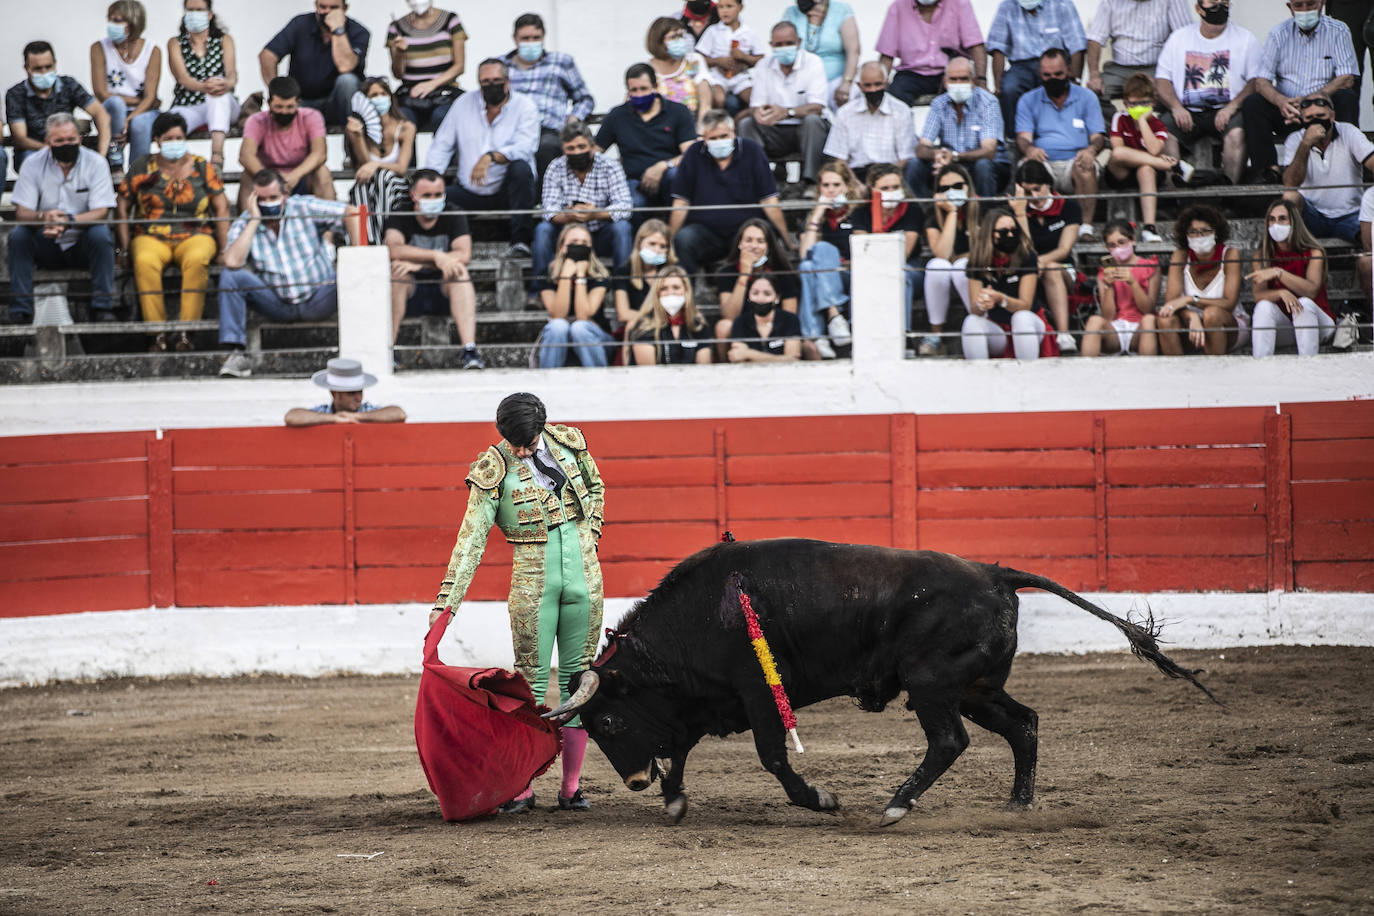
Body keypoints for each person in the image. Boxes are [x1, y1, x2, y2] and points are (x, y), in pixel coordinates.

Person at [429, 391, 606, 813]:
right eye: (513, 442)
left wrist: (590, 536)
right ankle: (522, 786)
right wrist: (446, 603)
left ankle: (571, 787)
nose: (520, 451)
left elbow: (596, 488)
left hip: (586, 576)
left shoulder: (569, 444)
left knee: (579, 682)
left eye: (525, 443)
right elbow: (470, 540)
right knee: (529, 685)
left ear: (541, 428)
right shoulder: (493, 468)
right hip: (532, 581)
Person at [216, 169, 360, 378]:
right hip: (277, 302)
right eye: (262, 199)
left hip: (320, 296)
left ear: (285, 195)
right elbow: (231, 261)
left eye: (273, 197)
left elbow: (352, 212)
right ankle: (237, 354)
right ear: (253, 199)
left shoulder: (303, 206)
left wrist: (356, 255)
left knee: (355, 274)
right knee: (230, 277)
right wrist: (255, 220)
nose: (268, 203)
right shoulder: (246, 221)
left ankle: (360, 348)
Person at [116, 112, 228, 352]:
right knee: (144, 261)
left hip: (196, 234)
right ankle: (157, 335)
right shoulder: (141, 166)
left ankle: (187, 334)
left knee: (197, 260)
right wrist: (124, 248)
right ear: (157, 140)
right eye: (168, 138)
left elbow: (221, 206)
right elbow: (123, 206)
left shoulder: (201, 166)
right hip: (151, 235)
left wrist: (224, 246)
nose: (175, 142)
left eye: (179, 137)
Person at [7, 113, 117, 326]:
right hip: (47, 240)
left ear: (80, 139)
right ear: (48, 142)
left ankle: (103, 308)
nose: (66, 145)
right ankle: (20, 311)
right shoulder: (33, 164)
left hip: (81, 241)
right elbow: (22, 212)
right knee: (19, 236)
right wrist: (43, 217)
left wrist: (68, 220)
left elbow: (101, 212)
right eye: (59, 141)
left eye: (70, 140)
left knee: (101, 234)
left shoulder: (96, 163)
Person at [425, 58, 539, 259]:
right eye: (485, 81)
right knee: (436, 196)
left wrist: (491, 157)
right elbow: (442, 144)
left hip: (507, 191)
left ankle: (521, 243)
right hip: (470, 190)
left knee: (521, 169)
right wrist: (430, 178)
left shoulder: (525, 106)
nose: (491, 85)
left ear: (507, 81)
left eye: (496, 80)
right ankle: (440, 250)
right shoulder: (463, 104)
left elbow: (526, 147)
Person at [1244, 0, 1360, 184]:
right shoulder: (1278, 34)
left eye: (1310, 4)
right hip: (1288, 111)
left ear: (1321, 4)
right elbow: (1261, 81)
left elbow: (1346, 78)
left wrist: (1312, 101)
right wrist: (1281, 101)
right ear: (1290, 7)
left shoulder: (1339, 30)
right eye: (1299, 5)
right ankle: (1268, 172)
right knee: (1253, 103)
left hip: (1322, 110)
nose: (1305, 10)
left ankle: (1345, 164)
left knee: (1347, 98)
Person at [669, 109, 790, 278]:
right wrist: (670, 241)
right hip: (705, 233)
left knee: (760, 235)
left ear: (733, 133)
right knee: (684, 239)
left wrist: (787, 240)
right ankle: (687, 294)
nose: (719, 141)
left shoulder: (752, 151)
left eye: (723, 136)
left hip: (744, 231)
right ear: (703, 138)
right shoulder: (693, 154)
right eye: (713, 138)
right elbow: (681, 203)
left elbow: (769, 200)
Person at [384, 169, 483, 369]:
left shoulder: (453, 213)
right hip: (411, 291)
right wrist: (436, 256)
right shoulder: (400, 213)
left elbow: (463, 254)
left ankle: (470, 350)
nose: (433, 199)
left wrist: (420, 263)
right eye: (427, 195)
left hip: (443, 290)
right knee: (397, 274)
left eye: (437, 195)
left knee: (460, 272)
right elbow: (393, 249)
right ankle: (388, 350)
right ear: (413, 195)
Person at [1154, 0, 1259, 187]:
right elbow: (1162, 80)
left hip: (1228, 111)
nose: (1220, 6)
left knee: (1237, 134)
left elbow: (1255, 81)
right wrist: (1176, 108)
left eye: (1224, 2)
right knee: (1163, 131)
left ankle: (1229, 194)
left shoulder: (1246, 39)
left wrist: (1231, 107)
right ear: (1198, 9)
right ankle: (1174, 194)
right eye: (1213, 2)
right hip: (1187, 111)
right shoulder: (1179, 38)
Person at [1015, 48, 1105, 238]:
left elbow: (1098, 137)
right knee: (1029, 168)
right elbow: (1023, 138)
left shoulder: (1087, 97)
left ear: (1069, 71)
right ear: (1040, 74)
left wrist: (1091, 149)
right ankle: (1035, 227)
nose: (1053, 79)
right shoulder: (1028, 100)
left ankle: (1085, 227)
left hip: (1075, 161)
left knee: (1085, 165)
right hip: (1044, 162)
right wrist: (1030, 149)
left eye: (1058, 74)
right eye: (1047, 75)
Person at [534, 119, 633, 282]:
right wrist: (569, 216)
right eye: (570, 148)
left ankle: (622, 287)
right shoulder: (555, 167)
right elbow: (549, 210)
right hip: (566, 235)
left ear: (592, 147)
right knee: (542, 230)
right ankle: (538, 290)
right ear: (563, 150)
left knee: (622, 228)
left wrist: (595, 214)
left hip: (600, 232)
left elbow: (625, 206)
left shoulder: (610, 166)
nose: (576, 152)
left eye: (581, 147)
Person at [738, 22, 830, 190]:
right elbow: (756, 105)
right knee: (747, 124)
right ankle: (759, 182)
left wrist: (787, 112)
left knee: (813, 121)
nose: (784, 48)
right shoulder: (763, 65)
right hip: (774, 131)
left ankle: (811, 182)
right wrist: (759, 113)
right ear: (771, 45)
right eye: (778, 44)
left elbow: (817, 106)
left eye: (788, 43)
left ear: (799, 42)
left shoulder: (813, 62)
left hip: (804, 131)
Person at [595, 64, 698, 213]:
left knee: (674, 176)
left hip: (669, 177)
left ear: (655, 87)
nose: (639, 95)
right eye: (633, 90)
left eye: (644, 89)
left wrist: (663, 166)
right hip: (634, 181)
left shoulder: (678, 112)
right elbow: (596, 151)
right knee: (632, 205)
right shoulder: (617, 116)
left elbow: (690, 154)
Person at [505, 13, 595, 178]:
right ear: (515, 38)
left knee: (547, 148)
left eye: (536, 37)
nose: (531, 42)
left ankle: (543, 200)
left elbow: (585, 99)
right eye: (525, 38)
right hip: (510, 130)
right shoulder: (501, 66)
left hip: (548, 130)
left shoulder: (561, 62)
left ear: (543, 37)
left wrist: (574, 117)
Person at [1281, 90, 1374, 244]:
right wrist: (1305, 144)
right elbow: (1290, 183)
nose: (1315, 122)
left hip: (1349, 215)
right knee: (1290, 197)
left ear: (1332, 116)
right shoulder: (1294, 139)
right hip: (1313, 215)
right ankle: (1289, 258)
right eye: (1309, 118)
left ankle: (1368, 263)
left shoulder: (1349, 132)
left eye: (1321, 117)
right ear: (1302, 120)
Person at [1248, 197, 1336, 357]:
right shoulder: (1261, 256)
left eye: (1282, 219)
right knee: (1263, 307)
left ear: (1294, 222)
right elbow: (1258, 295)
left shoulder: (1314, 252)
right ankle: (1260, 368)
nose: (1276, 224)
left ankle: (1308, 368)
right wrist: (1281, 293)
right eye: (1272, 220)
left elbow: (1311, 291)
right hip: (1286, 327)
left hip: (1318, 323)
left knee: (1304, 304)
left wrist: (1278, 273)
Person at [987, 0, 1087, 140]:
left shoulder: (1062, 4)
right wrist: (998, 85)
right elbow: (997, 47)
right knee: (1009, 89)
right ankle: (1014, 140)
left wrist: (1076, 79)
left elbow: (1077, 45)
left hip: (1054, 64)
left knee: (1057, 86)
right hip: (1021, 66)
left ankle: (1055, 137)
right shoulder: (1007, 6)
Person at [909, 56, 1007, 199]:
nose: (958, 83)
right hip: (948, 163)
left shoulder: (988, 102)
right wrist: (938, 155)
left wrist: (954, 157)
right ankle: (917, 215)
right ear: (945, 81)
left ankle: (987, 215)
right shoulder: (939, 104)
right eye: (953, 79)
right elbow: (922, 147)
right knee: (914, 165)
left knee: (983, 166)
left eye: (963, 79)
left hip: (982, 165)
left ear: (973, 81)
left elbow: (989, 151)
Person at [260, 0, 369, 127]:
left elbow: (345, 66)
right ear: (316, 6)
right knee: (285, 105)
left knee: (348, 81)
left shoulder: (359, 32)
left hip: (338, 105)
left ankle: (354, 137)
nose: (327, 12)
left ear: (344, 8)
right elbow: (267, 55)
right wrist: (278, 92)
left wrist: (338, 30)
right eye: (322, 7)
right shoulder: (300, 24)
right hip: (302, 102)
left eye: (333, 7)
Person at [6, 42, 111, 174]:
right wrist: (53, 149)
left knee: (87, 164)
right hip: (35, 151)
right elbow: (20, 138)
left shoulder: (68, 85)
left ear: (55, 64)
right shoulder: (16, 94)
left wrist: (101, 156)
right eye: (38, 68)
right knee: (31, 162)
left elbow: (100, 113)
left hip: (68, 146)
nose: (44, 72)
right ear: (27, 68)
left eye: (48, 67)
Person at [1156, 204, 1246, 356]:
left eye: (1205, 231)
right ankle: (1175, 374)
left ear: (1216, 233)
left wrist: (1191, 299)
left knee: (1211, 315)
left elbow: (1229, 303)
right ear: (1186, 235)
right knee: (1165, 320)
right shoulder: (1180, 256)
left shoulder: (1230, 254)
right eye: (1193, 232)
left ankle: (1215, 371)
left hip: (1226, 323)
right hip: (1190, 325)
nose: (1199, 237)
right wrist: (1191, 316)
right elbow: (1171, 303)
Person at [1010, 160, 1081, 353]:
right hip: (1028, 268)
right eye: (1027, 192)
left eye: (1037, 189)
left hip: (1062, 268)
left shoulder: (1069, 206)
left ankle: (1064, 334)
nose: (1033, 196)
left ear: (1048, 183)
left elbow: (1064, 249)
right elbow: (1026, 249)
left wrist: (1039, 262)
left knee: (1051, 268)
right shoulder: (1017, 210)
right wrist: (1020, 214)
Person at [962, 208, 1051, 360]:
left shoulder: (1027, 256)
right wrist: (982, 304)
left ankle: (1028, 373)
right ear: (990, 234)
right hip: (999, 328)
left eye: (1013, 230)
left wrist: (1001, 299)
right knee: (971, 322)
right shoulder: (977, 261)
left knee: (1021, 318)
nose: (1010, 235)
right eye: (1003, 232)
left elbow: (1026, 305)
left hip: (1030, 324)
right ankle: (978, 378)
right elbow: (974, 309)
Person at [167, 0, 241, 173]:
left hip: (223, 104)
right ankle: (178, 170)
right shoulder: (175, 43)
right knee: (169, 124)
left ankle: (217, 156)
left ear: (209, 14)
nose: (194, 14)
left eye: (199, 10)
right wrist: (206, 86)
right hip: (189, 104)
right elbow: (183, 78)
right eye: (190, 10)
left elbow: (232, 73)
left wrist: (225, 84)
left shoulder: (224, 40)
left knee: (218, 96)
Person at [237, 76, 331, 210]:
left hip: (302, 178)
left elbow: (320, 153)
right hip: (267, 180)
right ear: (269, 103)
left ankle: (329, 225)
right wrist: (272, 179)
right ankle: (245, 225)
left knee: (322, 172)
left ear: (298, 103)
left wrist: (295, 176)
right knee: (247, 176)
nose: (284, 112)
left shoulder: (312, 117)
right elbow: (246, 155)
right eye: (279, 107)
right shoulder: (256, 121)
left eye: (290, 107)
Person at [851, 162, 923, 334]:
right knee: (862, 278)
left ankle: (903, 335)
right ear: (872, 189)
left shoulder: (912, 209)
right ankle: (860, 332)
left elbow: (904, 253)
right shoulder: (860, 211)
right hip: (871, 268)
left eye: (896, 187)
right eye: (885, 188)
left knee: (900, 278)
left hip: (908, 267)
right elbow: (864, 251)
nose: (891, 192)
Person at [797, 160, 860, 357]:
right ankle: (831, 321)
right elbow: (804, 254)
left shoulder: (857, 213)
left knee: (822, 250)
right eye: (826, 185)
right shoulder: (818, 217)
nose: (831, 190)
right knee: (807, 266)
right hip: (825, 276)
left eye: (836, 185)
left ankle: (816, 333)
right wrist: (817, 214)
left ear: (847, 186)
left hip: (850, 273)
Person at [1106, 74, 1178, 243]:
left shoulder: (1158, 124)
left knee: (1146, 168)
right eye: (1133, 104)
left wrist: (1143, 122)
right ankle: (1169, 165)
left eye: (1143, 103)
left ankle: (1149, 228)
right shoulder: (1120, 118)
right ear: (1125, 104)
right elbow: (1118, 149)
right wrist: (1161, 162)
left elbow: (1154, 149)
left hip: (1150, 175)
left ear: (1153, 103)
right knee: (1116, 154)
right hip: (1121, 172)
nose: (1138, 107)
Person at [91, 0, 161, 173]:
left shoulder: (152, 50)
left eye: (118, 20)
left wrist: (129, 119)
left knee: (140, 123)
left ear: (133, 22)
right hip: (112, 110)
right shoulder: (99, 48)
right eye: (111, 20)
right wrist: (134, 101)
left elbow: (150, 96)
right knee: (116, 104)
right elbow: (100, 92)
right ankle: (115, 163)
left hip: (142, 111)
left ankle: (137, 175)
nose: (112, 25)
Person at [919, 163, 981, 356]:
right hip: (946, 275)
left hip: (977, 274)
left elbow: (983, 253)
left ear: (967, 186)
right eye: (944, 188)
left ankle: (978, 324)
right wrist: (952, 213)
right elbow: (943, 254)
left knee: (962, 266)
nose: (951, 191)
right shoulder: (933, 214)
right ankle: (936, 337)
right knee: (937, 266)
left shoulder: (983, 208)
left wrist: (960, 258)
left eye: (957, 186)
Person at [712, 218, 800, 352]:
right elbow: (729, 316)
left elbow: (789, 318)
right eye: (748, 240)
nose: (754, 246)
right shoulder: (727, 272)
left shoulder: (782, 272)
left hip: (774, 330)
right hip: (741, 329)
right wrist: (744, 273)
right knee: (723, 326)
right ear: (739, 244)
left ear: (768, 246)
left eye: (760, 241)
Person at [344, 77, 415, 243]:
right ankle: (363, 240)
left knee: (383, 177)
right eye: (374, 95)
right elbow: (364, 165)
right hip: (371, 185)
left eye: (383, 94)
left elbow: (401, 168)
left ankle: (383, 238)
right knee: (361, 186)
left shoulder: (405, 127)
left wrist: (377, 164)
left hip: (395, 185)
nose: (379, 98)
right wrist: (358, 137)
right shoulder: (358, 129)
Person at [1084, 0, 1193, 107]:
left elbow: (1184, 38)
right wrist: (1094, 75)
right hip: (1119, 70)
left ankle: (1156, 125)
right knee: (1091, 95)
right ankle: (1118, 124)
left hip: (1157, 70)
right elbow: (1095, 39)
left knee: (1177, 100)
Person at [875, 0, 985, 105]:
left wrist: (981, 80)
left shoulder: (959, 3)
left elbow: (976, 46)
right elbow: (887, 54)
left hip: (951, 72)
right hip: (911, 74)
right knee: (893, 99)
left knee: (965, 97)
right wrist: (879, 85)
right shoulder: (897, 7)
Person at [537, 224, 615, 368]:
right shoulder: (546, 274)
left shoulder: (599, 275)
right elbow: (558, 314)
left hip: (596, 340)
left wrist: (580, 276)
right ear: (562, 247)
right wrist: (565, 276)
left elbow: (583, 315)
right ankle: (548, 382)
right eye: (573, 242)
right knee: (557, 326)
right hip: (560, 340)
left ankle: (599, 382)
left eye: (585, 243)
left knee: (580, 327)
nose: (579, 246)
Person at [823, 62, 916, 183]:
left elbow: (905, 157)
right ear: (859, 86)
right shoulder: (845, 113)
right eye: (868, 85)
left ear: (886, 83)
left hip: (891, 174)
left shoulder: (901, 111)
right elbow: (840, 159)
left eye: (878, 84)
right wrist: (856, 185)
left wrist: (888, 182)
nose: (873, 90)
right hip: (856, 175)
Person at [1082, 220, 1160, 357]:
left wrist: (1132, 282)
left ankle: (1148, 371)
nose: (1117, 248)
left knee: (1148, 319)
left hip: (1140, 327)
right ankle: (1086, 371)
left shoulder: (1150, 266)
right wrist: (1109, 286)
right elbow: (1108, 316)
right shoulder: (1105, 271)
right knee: (1094, 321)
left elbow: (1149, 309)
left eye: (1121, 242)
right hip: (1116, 329)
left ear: (1133, 240)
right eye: (1112, 245)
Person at [386, 0, 466, 131]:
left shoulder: (451, 20)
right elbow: (397, 73)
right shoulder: (396, 27)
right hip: (411, 94)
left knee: (442, 118)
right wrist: (400, 52)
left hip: (444, 92)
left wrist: (430, 85)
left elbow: (459, 66)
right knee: (403, 123)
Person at [628, 265, 715, 365]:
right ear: (657, 293)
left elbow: (703, 368)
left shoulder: (698, 326)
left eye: (676, 287)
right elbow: (648, 374)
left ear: (686, 291)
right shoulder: (643, 327)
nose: (670, 293)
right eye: (664, 288)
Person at [783, 0, 860, 108]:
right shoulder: (791, 12)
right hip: (801, 82)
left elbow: (853, 51)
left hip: (835, 81)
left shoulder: (842, 10)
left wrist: (846, 82)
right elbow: (783, 47)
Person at [284, 358, 406, 425]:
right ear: (334, 394)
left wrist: (355, 416)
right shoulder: (322, 413)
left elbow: (398, 413)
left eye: (360, 392)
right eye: (351, 393)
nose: (359, 398)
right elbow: (291, 416)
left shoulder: (367, 411)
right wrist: (334, 418)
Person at [647, 16, 714, 132]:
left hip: (690, 127)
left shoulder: (694, 61)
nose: (679, 40)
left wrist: (700, 134)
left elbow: (705, 104)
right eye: (673, 37)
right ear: (658, 41)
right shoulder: (647, 68)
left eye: (681, 36)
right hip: (657, 130)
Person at [698, 0, 764, 113]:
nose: (724, 11)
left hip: (740, 78)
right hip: (717, 77)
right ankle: (717, 126)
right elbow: (699, 58)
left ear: (740, 7)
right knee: (718, 99)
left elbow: (761, 59)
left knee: (755, 100)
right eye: (720, 7)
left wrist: (744, 57)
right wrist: (717, 61)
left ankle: (739, 122)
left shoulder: (749, 32)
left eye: (729, 6)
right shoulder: (712, 31)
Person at [613, 219, 677, 330]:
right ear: (639, 243)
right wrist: (658, 319)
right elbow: (623, 314)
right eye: (652, 244)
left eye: (663, 246)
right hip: (639, 329)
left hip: (669, 328)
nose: (657, 250)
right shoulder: (623, 272)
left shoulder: (672, 273)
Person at [729, 273, 802, 361]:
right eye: (755, 293)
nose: (760, 298)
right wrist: (781, 359)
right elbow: (737, 358)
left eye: (767, 294)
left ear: (777, 298)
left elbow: (793, 361)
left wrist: (749, 353)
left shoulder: (790, 320)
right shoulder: (740, 322)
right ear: (748, 295)